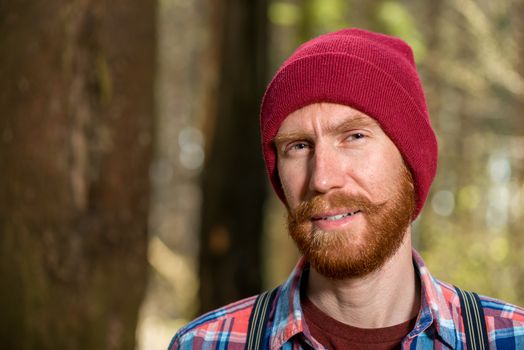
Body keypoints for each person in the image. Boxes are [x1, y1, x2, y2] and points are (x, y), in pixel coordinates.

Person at [169, 28, 524, 349]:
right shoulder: (205, 344)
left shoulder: (509, 338)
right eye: (299, 146)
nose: (322, 178)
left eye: (354, 136)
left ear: (410, 162)